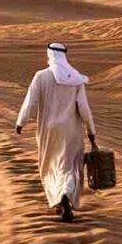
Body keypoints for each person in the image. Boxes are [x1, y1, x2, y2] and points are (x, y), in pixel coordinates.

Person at [16, 43, 97, 222]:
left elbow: (30, 102)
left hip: (48, 131)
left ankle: (59, 199)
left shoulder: (41, 76)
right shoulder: (75, 79)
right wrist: (91, 132)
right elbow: (84, 109)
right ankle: (66, 194)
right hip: (71, 132)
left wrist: (20, 123)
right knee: (69, 167)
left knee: (50, 167)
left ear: (49, 55)